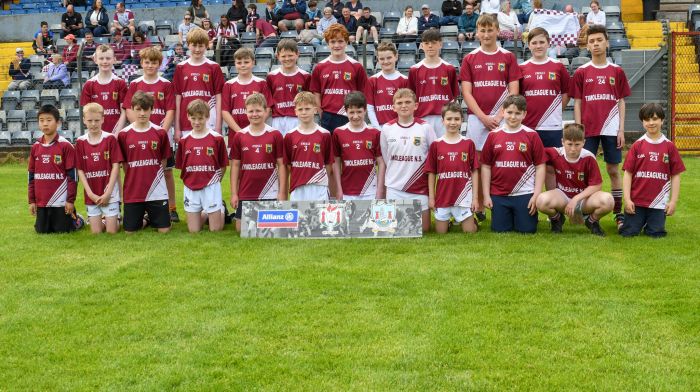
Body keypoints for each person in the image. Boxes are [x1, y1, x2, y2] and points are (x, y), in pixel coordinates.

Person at [460, 13, 521, 221]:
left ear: (497, 31)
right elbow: (467, 93)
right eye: (482, 30)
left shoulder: (508, 57)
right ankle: (478, 207)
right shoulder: (469, 58)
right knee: (476, 163)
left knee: (503, 161)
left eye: (490, 30)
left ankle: (499, 203)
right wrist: (483, 117)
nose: (486, 34)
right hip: (478, 119)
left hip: (503, 118)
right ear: (477, 33)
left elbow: (514, 90)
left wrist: (500, 115)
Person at [571, 24, 630, 229]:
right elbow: (577, 102)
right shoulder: (581, 72)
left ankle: (618, 213)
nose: (595, 44)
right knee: (584, 172)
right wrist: (579, 129)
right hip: (588, 130)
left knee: (613, 170)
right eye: (592, 41)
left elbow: (621, 101)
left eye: (599, 40)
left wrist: (621, 129)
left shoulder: (617, 71)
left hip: (612, 129)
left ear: (607, 42)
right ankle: (582, 210)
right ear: (587, 46)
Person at [124, 46, 179, 222]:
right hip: (139, 136)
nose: (150, 66)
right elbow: (128, 109)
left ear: (159, 64)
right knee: (140, 170)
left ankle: (171, 207)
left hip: (161, 136)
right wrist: (139, 130)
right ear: (141, 63)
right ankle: (143, 205)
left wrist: (161, 133)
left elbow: (170, 109)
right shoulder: (135, 84)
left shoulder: (166, 84)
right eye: (147, 62)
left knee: (167, 171)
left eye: (154, 62)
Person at [481, 95, 546, 233]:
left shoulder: (532, 135)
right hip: (499, 194)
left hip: (524, 193)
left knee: (527, 230)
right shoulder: (493, 135)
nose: (513, 117)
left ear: (524, 114)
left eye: (518, 113)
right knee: (500, 230)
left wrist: (536, 194)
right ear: (503, 112)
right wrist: (486, 195)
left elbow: (540, 166)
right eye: (510, 112)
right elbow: (486, 166)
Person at [620, 104, 685, 238]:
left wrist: (673, 201)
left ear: (662, 120)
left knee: (656, 234)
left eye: (655, 119)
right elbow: (628, 173)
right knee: (629, 233)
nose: (651, 123)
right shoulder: (637, 145)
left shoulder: (669, 146)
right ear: (642, 122)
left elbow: (676, 175)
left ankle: (649, 222)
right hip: (637, 201)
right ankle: (622, 220)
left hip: (658, 203)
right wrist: (627, 199)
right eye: (647, 119)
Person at [536, 123, 613, 235]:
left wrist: (576, 199)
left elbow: (596, 186)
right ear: (562, 142)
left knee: (608, 201)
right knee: (541, 201)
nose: (573, 149)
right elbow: (533, 152)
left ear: (583, 142)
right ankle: (556, 219)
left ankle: (592, 221)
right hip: (563, 197)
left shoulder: (588, 157)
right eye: (569, 144)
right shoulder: (555, 153)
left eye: (577, 144)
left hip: (584, 200)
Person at [380, 88, 436, 233]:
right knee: (396, 229)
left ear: (416, 105)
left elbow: (433, 156)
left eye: (407, 102)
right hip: (395, 186)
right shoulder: (386, 129)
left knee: (424, 229)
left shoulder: (425, 128)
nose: (403, 106)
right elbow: (386, 157)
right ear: (393, 107)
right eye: (399, 103)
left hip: (419, 186)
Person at [229, 93, 287, 232]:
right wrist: (234, 193)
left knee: (271, 229)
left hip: (270, 193)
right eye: (251, 111)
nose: (255, 114)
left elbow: (281, 165)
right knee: (240, 230)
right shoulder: (240, 136)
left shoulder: (275, 135)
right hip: (246, 192)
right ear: (245, 112)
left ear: (266, 111)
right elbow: (235, 166)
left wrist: (282, 192)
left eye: (258, 111)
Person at [117, 91, 172, 233]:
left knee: (164, 231)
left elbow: (164, 160)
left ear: (152, 110)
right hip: (133, 191)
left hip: (157, 190)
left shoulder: (160, 133)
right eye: (138, 109)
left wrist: (155, 175)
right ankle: (146, 219)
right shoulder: (124, 134)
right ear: (133, 110)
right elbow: (124, 164)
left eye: (145, 109)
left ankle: (150, 218)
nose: (142, 113)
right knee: (130, 232)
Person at [425, 101, 480, 233]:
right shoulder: (436, 145)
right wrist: (432, 198)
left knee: (470, 231)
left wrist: (475, 198)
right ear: (442, 121)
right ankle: (449, 222)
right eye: (449, 119)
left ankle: (472, 222)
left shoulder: (468, 143)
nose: (453, 122)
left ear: (462, 120)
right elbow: (431, 172)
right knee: (441, 233)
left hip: (463, 198)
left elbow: (474, 171)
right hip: (443, 197)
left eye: (457, 119)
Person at [176, 99, 228, 232]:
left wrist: (214, 182)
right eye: (193, 118)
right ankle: (206, 213)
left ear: (207, 117)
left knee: (215, 230)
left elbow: (223, 165)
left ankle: (220, 208)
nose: (197, 122)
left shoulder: (217, 139)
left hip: (211, 187)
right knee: (194, 230)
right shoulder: (184, 141)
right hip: (191, 187)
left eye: (200, 118)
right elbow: (183, 166)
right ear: (188, 116)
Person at [28, 105, 78, 234]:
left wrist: (70, 200)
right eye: (42, 120)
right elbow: (31, 176)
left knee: (63, 231)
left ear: (58, 123)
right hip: (42, 202)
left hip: (60, 201)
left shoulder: (65, 146)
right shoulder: (35, 147)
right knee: (41, 231)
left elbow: (72, 176)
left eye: (49, 120)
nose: (45, 124)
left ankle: (78, 219)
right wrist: (32, 200)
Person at [75, 103, 123, 234]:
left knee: (111, 232)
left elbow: (115, 167)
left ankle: (117, 218)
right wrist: (90, 193)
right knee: (96, 233)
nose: (93, 124)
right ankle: (101, 219)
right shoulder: (80, 142)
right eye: (90, 120)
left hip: (109, 193)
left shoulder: (110, 139)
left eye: (97, 120)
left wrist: (108, 193)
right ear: (84, 120)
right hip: (92, 193)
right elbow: (80, 170)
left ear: (103, 119)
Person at [310, 24, 368, 132]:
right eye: (332, 42)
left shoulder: (356, 66)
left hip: (350, 115)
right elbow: (316, 94)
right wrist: (321, 113)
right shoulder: (320, 67)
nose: (337, 45)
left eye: (340, 41)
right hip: (328, 116)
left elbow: (363, 94)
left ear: (346, 42)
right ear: (327, 43)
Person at [519, 28, 571, 149]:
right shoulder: (521, 68)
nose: (538, 46)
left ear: (548, 43)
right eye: (534, 43)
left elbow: (567, 93)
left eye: (542, 42)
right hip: (528, 125)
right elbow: (518, 97)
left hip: (552, 125)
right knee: (530, 164)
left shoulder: (558, 66)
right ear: (529, 45)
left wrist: (556, 110)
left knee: (552, 166)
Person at [174, 28, 226, 142]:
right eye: (194, 45)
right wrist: (177, 128)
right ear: (188, 45)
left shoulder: (214, 67)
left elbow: (218, 97)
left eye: (201, 46)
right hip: (186, 122)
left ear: (207, 46)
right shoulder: (180, 67)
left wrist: (218, 126)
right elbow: (178, 99)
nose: (197, 49)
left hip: (209, 121)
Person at [332, 92, 385, 200]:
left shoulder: (375, 133)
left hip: (371, 191)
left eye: (359, 112)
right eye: (351, 112)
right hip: (347, 191)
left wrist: (380, 190)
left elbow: (381, 162)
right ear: (345, 111)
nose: (355, 116)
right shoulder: (338, 132)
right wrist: (338, 189)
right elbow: (336, 162)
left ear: (365, 110)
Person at [409, 29, 459, 138]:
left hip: (443, 118)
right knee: (423, 151)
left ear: (440, 44)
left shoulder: (449, 69)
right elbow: (412, 96)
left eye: (434, 43)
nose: (430, 46)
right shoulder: (414, 70)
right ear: (422, 45)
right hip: (422, 118)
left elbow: (454, 95)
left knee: (443, 149)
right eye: (426, 43)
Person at [284, 92, 334, 201]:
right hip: (298, 186)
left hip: (319, 186)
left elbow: (328, 164)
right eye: (300, 109)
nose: (304, 112)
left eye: (307, 108)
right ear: (295, 112)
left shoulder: (325, 134)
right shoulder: (289, 135)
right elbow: (288, 165)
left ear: (315, 110)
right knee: (299, 217)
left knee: (320, 217)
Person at [222, 47, 274, 146]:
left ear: (253, 62)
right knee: (236, 161)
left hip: (258, 132)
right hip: (236, 134)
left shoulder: (261, 83)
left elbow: (268, 108)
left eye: (246, 62)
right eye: (239, 62)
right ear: (235, 63)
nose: (243, 65)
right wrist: (240, 132)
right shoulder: (228, 85)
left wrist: (255, 127)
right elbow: (225, 111)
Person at [266, 39, 311, 135]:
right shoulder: (271, 76)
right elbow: (268, 103)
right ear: (278, 56)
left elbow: (310, 100)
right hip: (277, 120)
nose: (287, 59)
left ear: (297, 54)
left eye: (290, 55)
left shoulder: (305, 76)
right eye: (283, 56)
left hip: (298, 119)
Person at [80, 45, 128, 133]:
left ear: (114, 59)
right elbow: (87, 113)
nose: (105, 61)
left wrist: (116, 133)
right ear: (95, 60)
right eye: (101, 58)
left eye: (108, 58)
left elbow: (124, 112)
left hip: (116, 132)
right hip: (96, 132)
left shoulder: (120, 83)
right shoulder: (89, 84)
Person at [366, 42, 408, 129]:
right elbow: (370, 108)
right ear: (377, 59)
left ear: (396, 57)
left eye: (389, 58)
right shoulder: (372, 80)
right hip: (380, 127)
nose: (386, 61)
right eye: (382, 59)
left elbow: (408, 107)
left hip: (400, 127)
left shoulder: (405, 80)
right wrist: (377, 129)